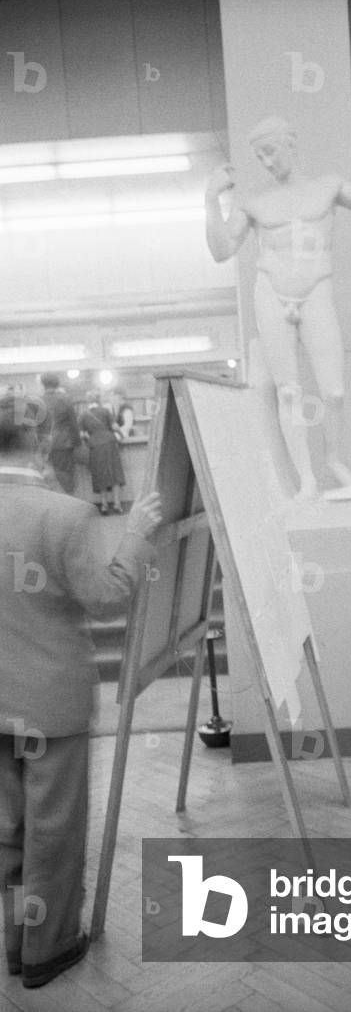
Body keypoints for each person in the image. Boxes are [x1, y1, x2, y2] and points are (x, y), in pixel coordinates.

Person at [0, 392, 161, 987]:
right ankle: (47, 950)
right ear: (42, 444)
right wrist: (136, 534)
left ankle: (16, 944)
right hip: (51, 702)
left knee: (9, 832)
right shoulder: (65, 514)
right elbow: (106, 596)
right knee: (55, 833)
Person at [205, 116, 351, 500]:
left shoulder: (327, 187)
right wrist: (211, 200)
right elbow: (222, 249)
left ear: (290, 145)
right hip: (271, 291)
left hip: (316, 289)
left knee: (335, 390)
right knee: (289, 391)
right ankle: (306, 480)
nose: (267, 162)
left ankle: (333, 460)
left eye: (271, 151)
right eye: (260, 157)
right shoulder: (254, 201)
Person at [80, 390, 125, 514]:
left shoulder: (83, 415)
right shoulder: (105, 411)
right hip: (109, 443)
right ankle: (117, 504)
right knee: (114, 473)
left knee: (101, 475)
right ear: (99, 399)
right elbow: (115, 427)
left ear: (87, 401)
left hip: (95, 446)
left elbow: (82, 434)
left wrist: (91, 439)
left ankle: (104, 505)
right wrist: (122, 435)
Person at [38, 372, 81, 495]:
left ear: (43, 384)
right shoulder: (65, 399)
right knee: (66, 475)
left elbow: (36, 425)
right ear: (57, 384)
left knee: (46, 476)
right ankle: (69, 500)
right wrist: (77, 443)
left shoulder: (39, 401)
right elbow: (73, 423)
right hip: (63, 443)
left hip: (44, 444)